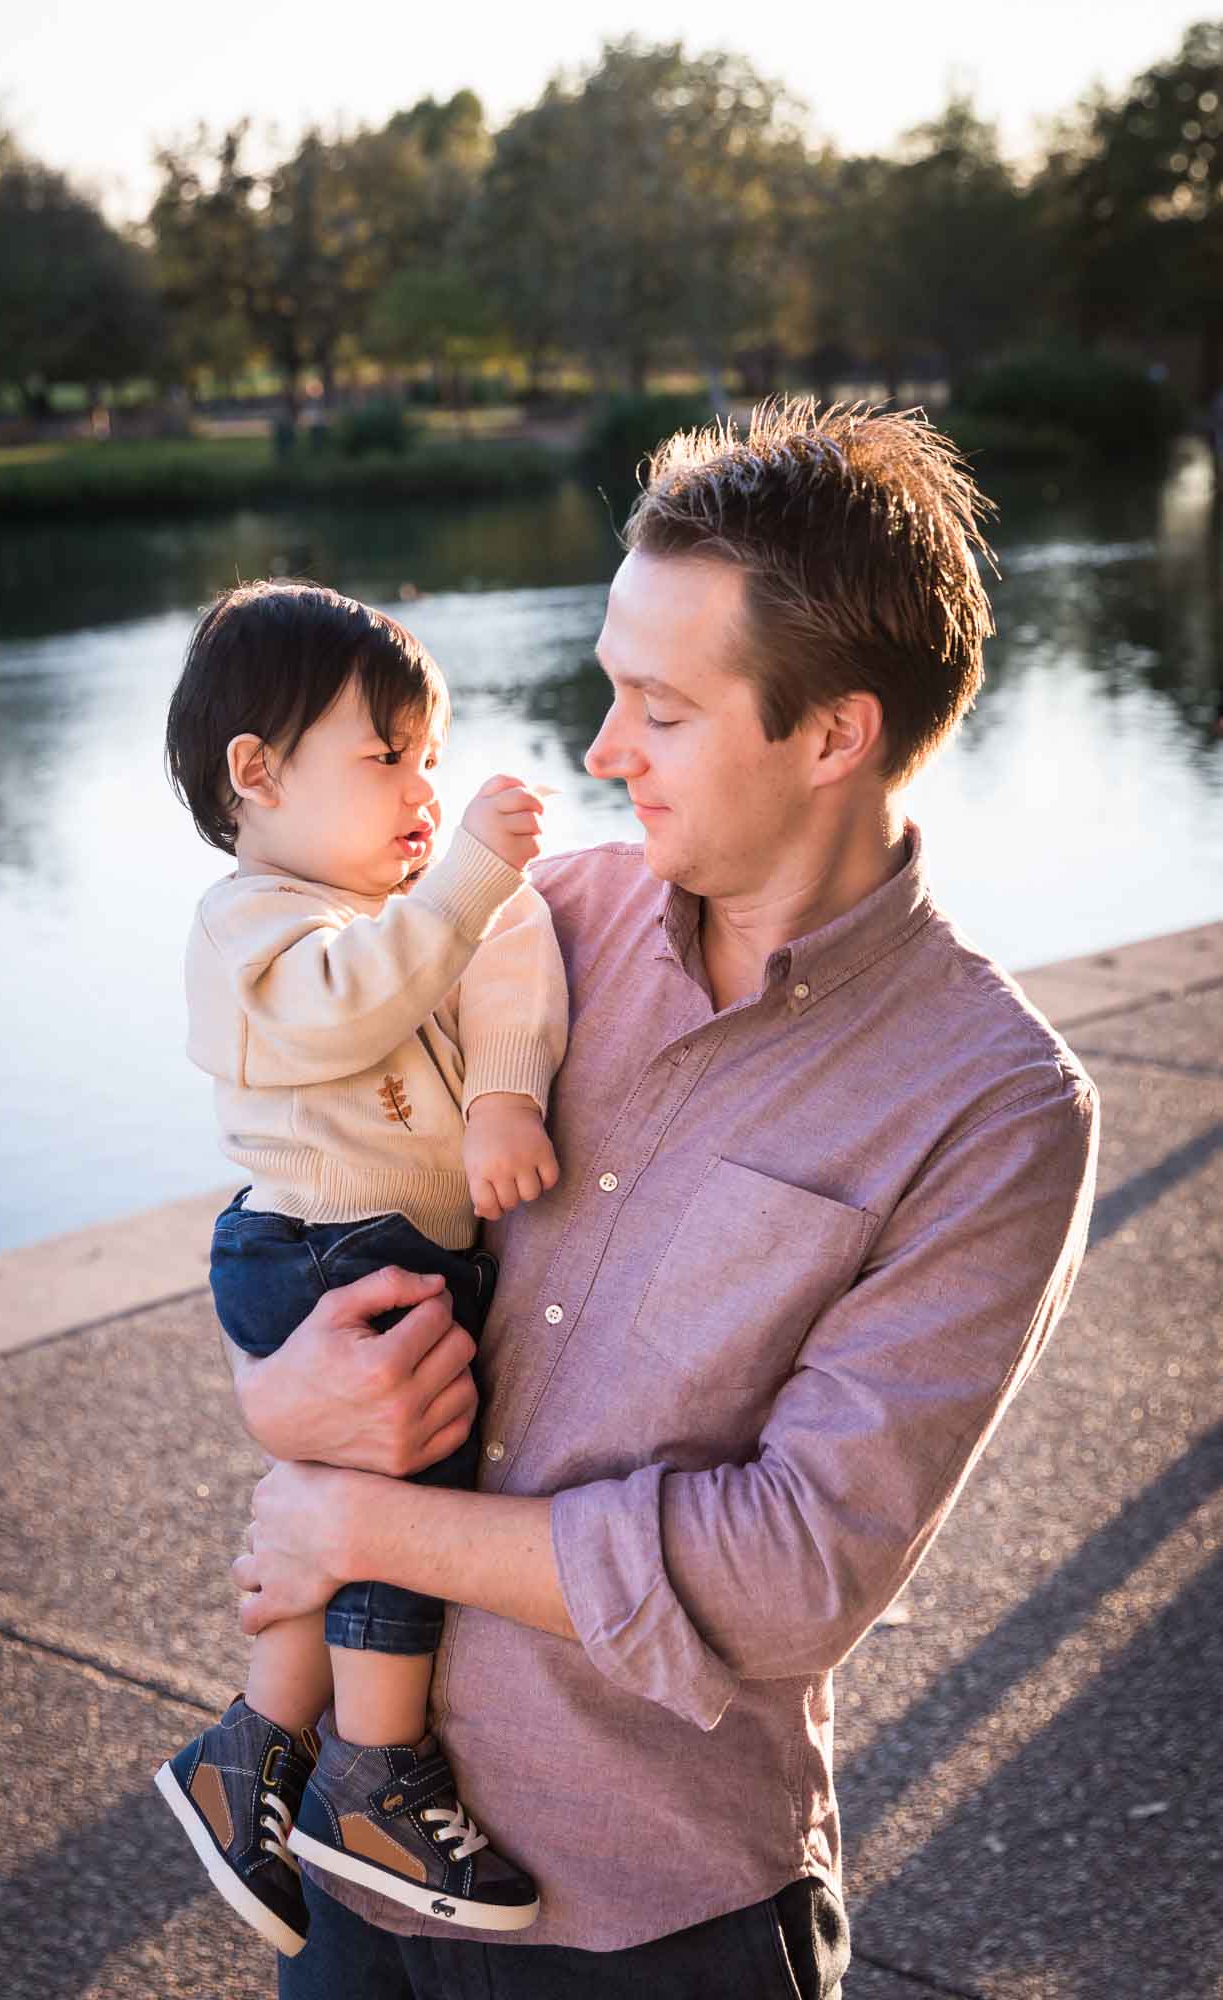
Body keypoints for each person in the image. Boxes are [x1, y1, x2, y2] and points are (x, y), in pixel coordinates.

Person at [226, 403, 1101, 2000]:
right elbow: (306, 1209)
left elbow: (784, 1579)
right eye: (607, 688)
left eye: (659, 710)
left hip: (651, 1919)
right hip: (357, 1890)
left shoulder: (993, 1106)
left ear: (831, 736)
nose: (599, 750)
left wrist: (357, 1518)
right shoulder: (532, 922)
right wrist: (277, 1387)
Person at [157, 583, 568, 1955]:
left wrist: (506, 1093)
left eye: (429, 753)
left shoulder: (422, 908)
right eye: (384, 755)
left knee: (360, 1503)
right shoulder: (250, 924)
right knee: (407, 1495)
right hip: (309, 1248)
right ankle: (375, 1774)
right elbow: (343, 1015)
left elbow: (512, 955)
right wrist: (456, 883)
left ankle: (250, 1756)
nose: (421, 787)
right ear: (259, 777)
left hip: (395, 1247)